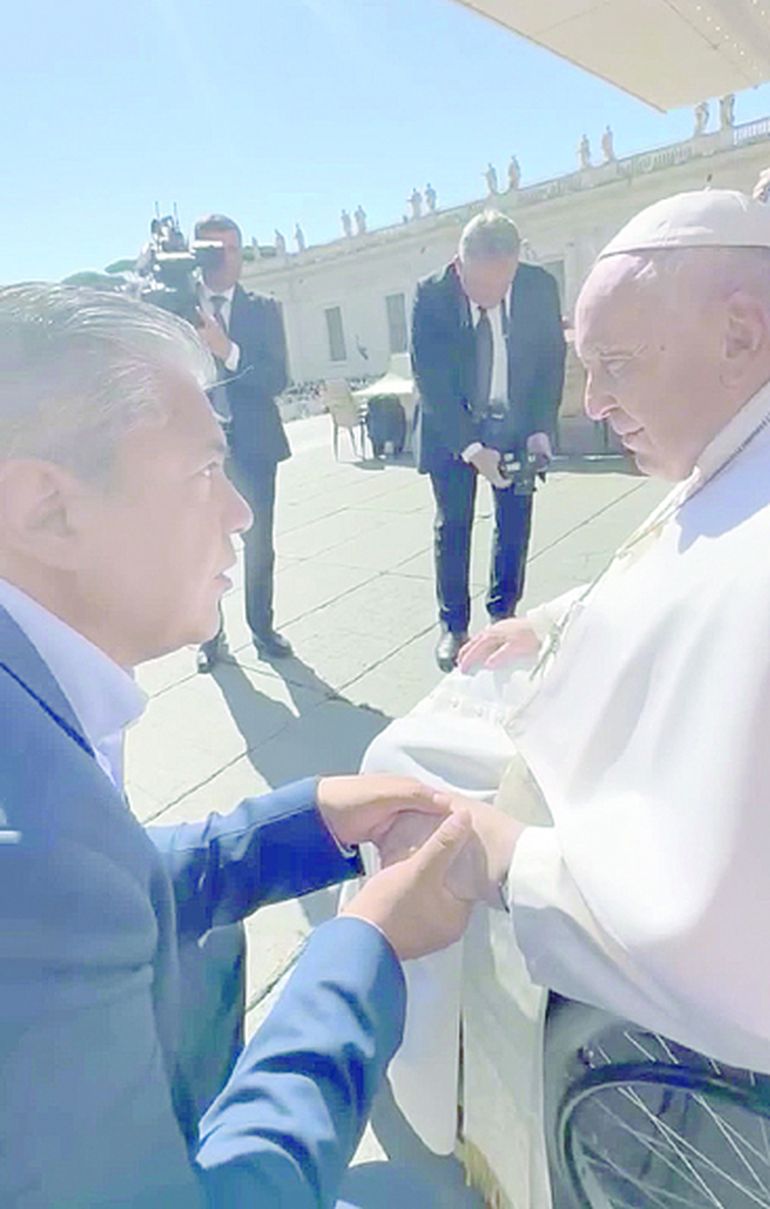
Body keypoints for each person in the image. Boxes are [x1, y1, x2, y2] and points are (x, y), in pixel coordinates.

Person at [0, 283, 479, 1207]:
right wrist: (367, 947)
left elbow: (108, 888)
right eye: (203, 472)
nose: (241, 513)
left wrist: (294, 828)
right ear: (47, 511)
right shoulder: (32, 846)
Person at [357, 187, 770, 1202]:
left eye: (615, 367)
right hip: (607, 733)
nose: (590, 402)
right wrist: (543, 622)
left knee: (401, 775)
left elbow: (713, 913)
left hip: (612, 851)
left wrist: (519, 862)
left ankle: (437, 1082)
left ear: (741, 333)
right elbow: (679, 554)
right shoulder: (736, 442)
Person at [411, 210, 565, 672]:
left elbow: (550, 361)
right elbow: (431, 381)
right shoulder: (432, 294)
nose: (491, 298)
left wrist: (540, 428)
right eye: (480, 288)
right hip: (452, 428)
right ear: (459, 265)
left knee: (515, 522)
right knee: (453, 525)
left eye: (502, 286)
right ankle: (453, 625)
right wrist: (472, 448)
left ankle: (502, 616)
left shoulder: (538, 287)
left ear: (517, 264)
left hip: (515, 421)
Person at [194, 213, 293, 673]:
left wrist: (226, 350)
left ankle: (262, 627)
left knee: (259, 543)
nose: (225, 259)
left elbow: (277, 378)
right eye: (214, 250)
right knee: (203, 546)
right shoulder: (178, 309)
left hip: (253, 445)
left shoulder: (263, 308)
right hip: (198, 454)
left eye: (233, 249)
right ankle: (210, 637)